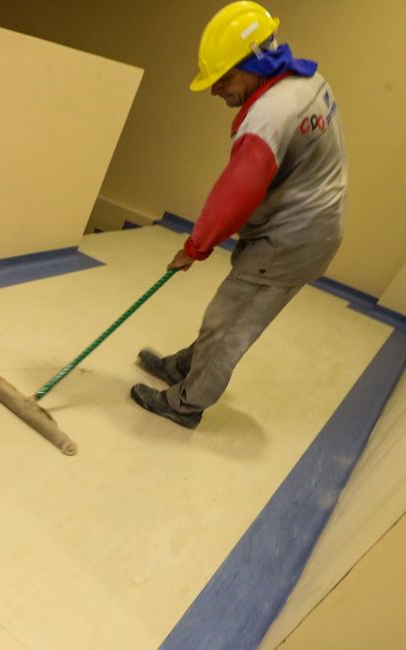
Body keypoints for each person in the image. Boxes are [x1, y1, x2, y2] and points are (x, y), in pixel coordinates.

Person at [132, 1, 347, 429]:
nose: (216, 90)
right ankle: (182, 369)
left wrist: (195, 247)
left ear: (256, 63)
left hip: (289, 240)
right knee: (231, 314)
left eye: (224, 78)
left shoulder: (268, 116)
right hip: (310, 227)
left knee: (227, 324)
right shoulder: (308, 82)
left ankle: (185, 404)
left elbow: (236, 194)